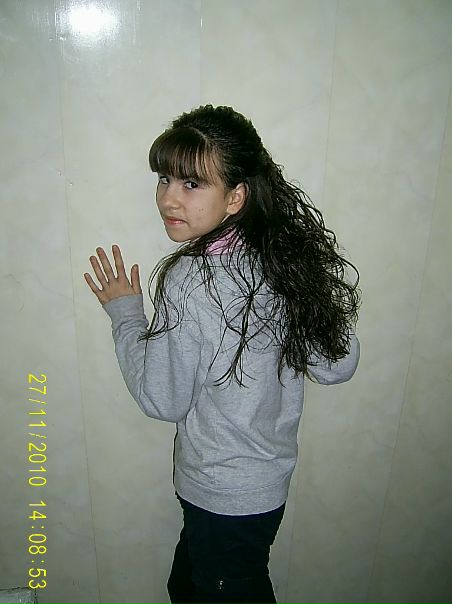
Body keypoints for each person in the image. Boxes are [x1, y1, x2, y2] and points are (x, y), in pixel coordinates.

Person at [84, 104, 361, 604]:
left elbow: (163, 400)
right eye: (165, 179)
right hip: (263, 488)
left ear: (236, 197)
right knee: (190, 586)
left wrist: (126, 316)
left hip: (222, 494)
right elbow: (337, 364)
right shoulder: (277, 261)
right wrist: (312, 292)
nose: (168, 198)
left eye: (191, 184)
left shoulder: (191, 281)